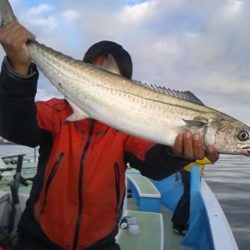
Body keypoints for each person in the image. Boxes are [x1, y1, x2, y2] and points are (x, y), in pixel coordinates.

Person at [0, 21, 219, 250]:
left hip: (99, 243)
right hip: (39, 238)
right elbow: (13, 127)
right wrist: (17, 71)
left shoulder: (128, 128)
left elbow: (153, 165)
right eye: (94, 73)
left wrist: (178, 154)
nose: (103, 82)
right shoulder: (56, 114)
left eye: (114, 78)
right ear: (79, 72)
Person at [171, 158, 211, 235]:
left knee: (186, 197)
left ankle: (175, 220)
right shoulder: (197, 148)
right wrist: (210, 159)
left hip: (189, 171)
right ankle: (178, 226)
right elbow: (197, 158)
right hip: (192, 172)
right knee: (188, 199)